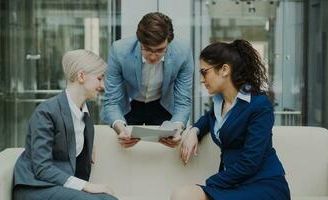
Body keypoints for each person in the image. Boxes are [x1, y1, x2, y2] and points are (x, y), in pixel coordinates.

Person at [171, 40, 290, 200]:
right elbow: (208, 119)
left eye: (204, 72)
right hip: (232, 185)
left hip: (263, 185)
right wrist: (194, 131)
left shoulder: (259, 105)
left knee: (186, 195)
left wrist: (210, 183)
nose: (201, 79)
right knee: (181, 195)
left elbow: (250, 162)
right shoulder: (219, 103)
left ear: (224, 70)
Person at [13, 50, 118, 200]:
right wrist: (87, 186)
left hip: (61, 187)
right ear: (81, 76)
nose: (103, 86)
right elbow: (42, 169)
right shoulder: (46, 112)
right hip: (36, 186)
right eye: (99, 79)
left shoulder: (86, 117)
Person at [101, 12, 194, 148]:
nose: (152, 56)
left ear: (169, 41)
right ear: (139, 41)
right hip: (129, 105)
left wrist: (177, 129)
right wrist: (120, 129)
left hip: (163, 104)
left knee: (164, 151)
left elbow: (183, 101)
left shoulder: (183, 52)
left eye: (160, 50)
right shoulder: (119, 50)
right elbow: (111, 100)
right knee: (124, 149)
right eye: (147, 49)